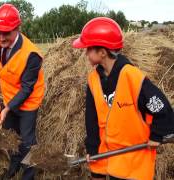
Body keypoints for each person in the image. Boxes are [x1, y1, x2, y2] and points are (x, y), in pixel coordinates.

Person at [72, 17, 174, 180]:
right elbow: (91, 119)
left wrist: (157, 135)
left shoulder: (131, 75)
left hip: (133, 157)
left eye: (88, 49)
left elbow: (161, 106)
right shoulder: (93, 79)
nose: (85, 53)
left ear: (102, 52)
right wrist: (92, 148)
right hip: (108, 155)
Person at [0, 4, 45, 180]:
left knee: (27, 141)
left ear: (17, 29)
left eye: (6, 33)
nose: (1, 37)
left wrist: (6, 109)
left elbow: (27, 88)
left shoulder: (32, 54)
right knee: (12, 136)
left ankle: (28, 175)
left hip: (28, 102)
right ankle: (14, 166)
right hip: (8, 96)